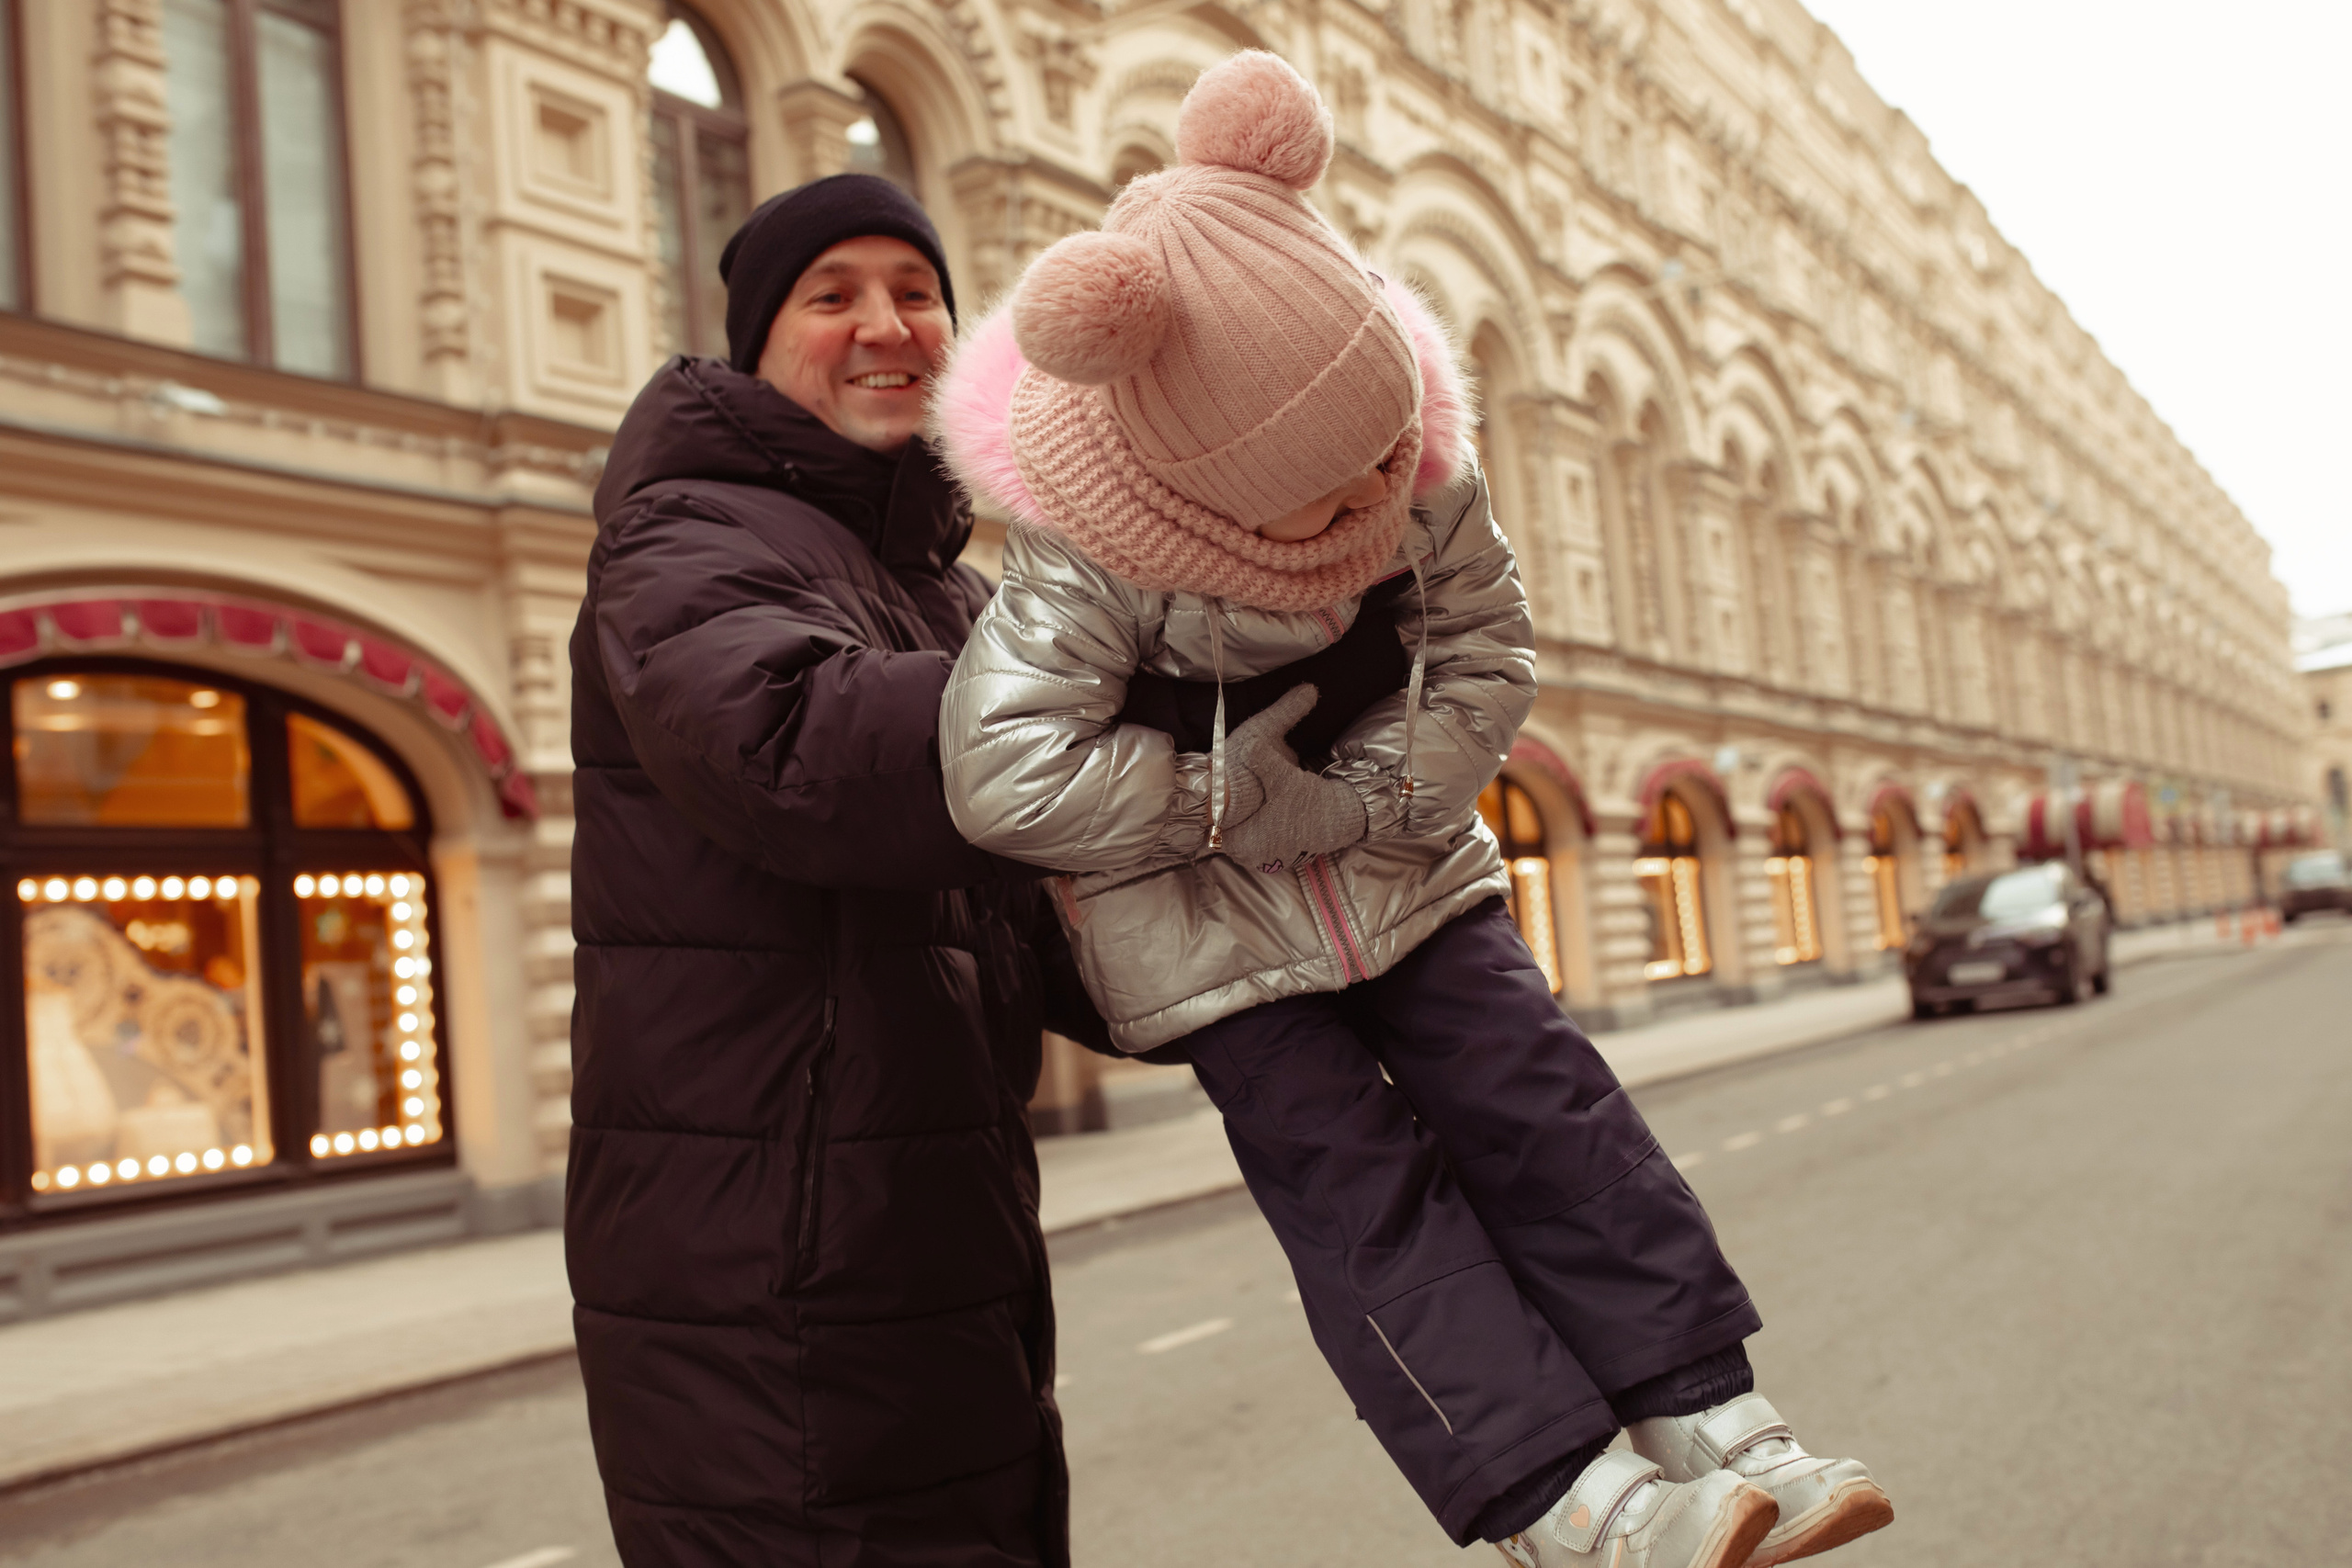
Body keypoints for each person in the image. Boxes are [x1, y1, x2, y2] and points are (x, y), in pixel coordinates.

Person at [933, 53, 1893, 1568]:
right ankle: (1563, 1504)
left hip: (1414, 870)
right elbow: (1002, 774)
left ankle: (1707, 1413)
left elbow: (1490, 640)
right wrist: (1232, 798)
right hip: (1211, 951)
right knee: (1366, 1203)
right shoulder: (1082, 554)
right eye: (1331, 493)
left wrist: (1383, 794)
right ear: (1204, 482)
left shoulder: (1406, 443)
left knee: (1555, 1111)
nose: (1382, 497)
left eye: (1398, 458)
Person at [567, 173, 1102, 1567]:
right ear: (758, 341)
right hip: (768, 1286)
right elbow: (794, 742)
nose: (888, 325)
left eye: (917, 291)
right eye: (835, 295)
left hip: (935, 1252)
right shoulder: (684, 534)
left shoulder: (949, 585)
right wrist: (1128, 690)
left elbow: (1052, 921)